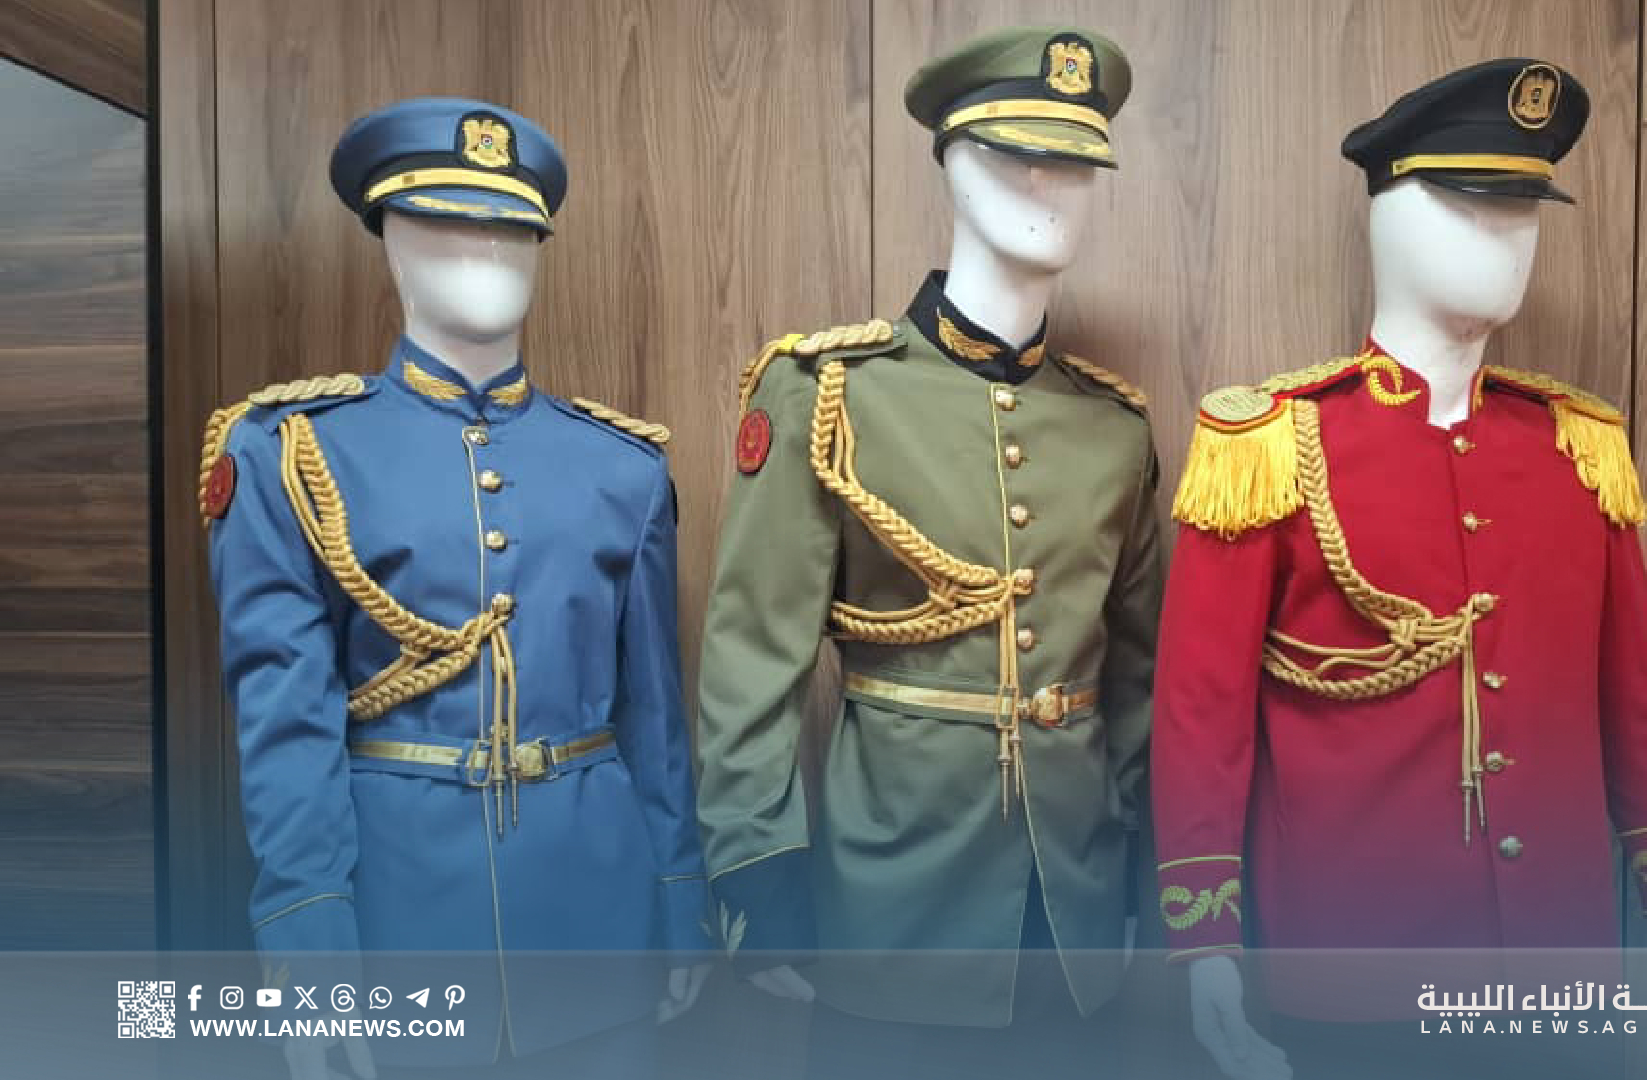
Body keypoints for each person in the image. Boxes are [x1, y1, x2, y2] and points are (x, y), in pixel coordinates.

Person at [1152, 60, 1647, 1080]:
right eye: (1471, 206)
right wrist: (1205, 948)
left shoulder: (1578, 447)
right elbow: (1200, 719)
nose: (1507, 238)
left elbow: (1638, 699)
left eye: (1523, 209)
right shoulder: (1268, 447)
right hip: (1351, 972)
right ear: (1387, 214)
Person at [204, 98, 709, 1079]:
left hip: (598, 920)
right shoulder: (292, 455)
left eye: (512, 230)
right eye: (443, 222)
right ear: (388, 238)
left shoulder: (624, 467)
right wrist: (310, 948)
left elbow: (654, 719)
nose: (485, 251)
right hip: (399, 927)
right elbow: (285, 727)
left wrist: (679, 897)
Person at [694, 27, 1160, 1080]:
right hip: (890, 908)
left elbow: (1135, 677)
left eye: (1073, 164)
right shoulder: (828, 393)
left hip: (1077, 915)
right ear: (950, 161)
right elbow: (752, 658)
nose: (1048, 186)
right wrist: (757, 873)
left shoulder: (1114, 427)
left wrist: (1140, 873)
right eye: (1015, 155)